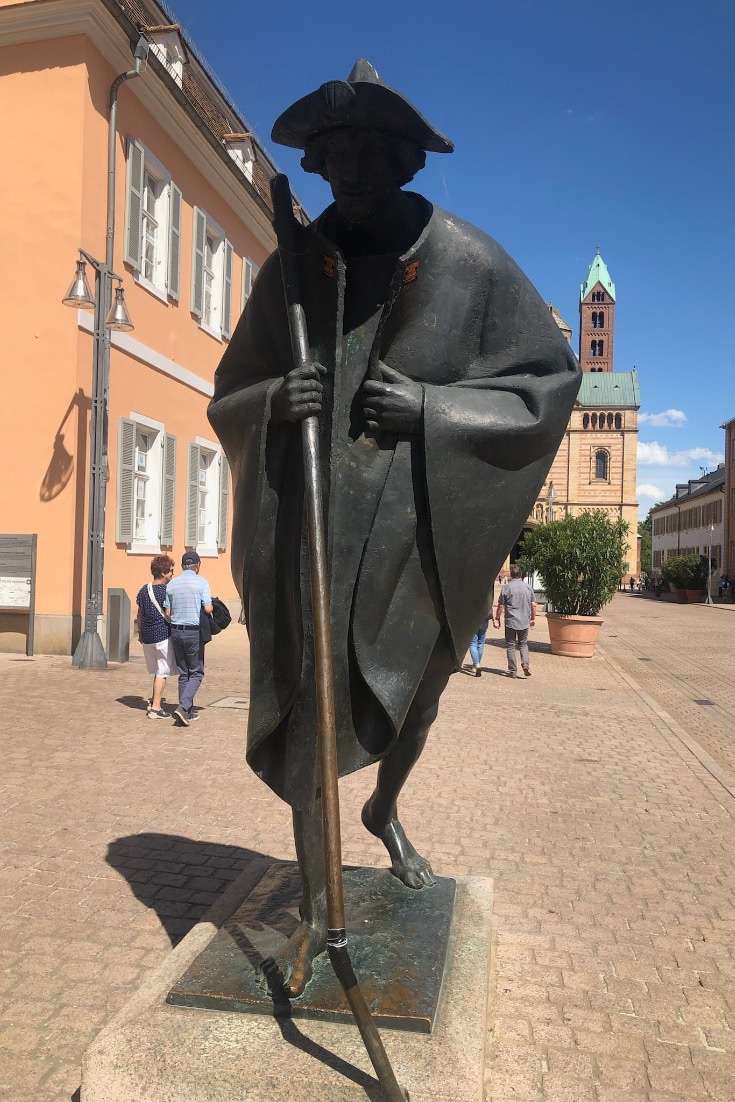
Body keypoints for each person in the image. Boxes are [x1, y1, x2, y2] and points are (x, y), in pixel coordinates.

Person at [208, 59, 580, 996]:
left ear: (408, 160)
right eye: (339, 152)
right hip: (311, 526)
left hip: (417, 529)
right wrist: (272, 398)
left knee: (413, 704)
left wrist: (433, 410)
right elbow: (229, 394)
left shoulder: (469, 262)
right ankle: (320, 915)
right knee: (305, 714)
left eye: (376, 150)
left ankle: (383, 809)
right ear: (322, 161)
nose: (356, 168)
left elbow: (544, 386)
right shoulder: (292, 265)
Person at [164, 551, 213, 727]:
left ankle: (187, 712)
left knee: (184, 673)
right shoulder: (202, 582)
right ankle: (184, 707)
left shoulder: (172, 584)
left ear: (183, 565)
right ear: (197, 565)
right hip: (193, 632)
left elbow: (168, 613)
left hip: (176, 631)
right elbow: (207, 609)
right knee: (197, 672)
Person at [136, 555, 175, 719]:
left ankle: (155, 703)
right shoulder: (168, 591)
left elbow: (139, 614)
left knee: (158, 671)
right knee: (162, 672)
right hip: (163, 635)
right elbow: (170, 614)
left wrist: (140, 633)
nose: (173, 574)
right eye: (171, 571)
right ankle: (156, 708)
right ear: (164, 572)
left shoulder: (144, 589)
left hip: (147, 636)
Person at [493, 564, 536, 678]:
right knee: (523, 644)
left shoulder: (506, 588)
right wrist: (533, 619)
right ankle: (525, 665)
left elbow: (500, 606)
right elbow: (534, 605)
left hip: (511, 621)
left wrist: (497, 618)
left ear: (511, 575)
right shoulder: (528, 587)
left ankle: (513, 670)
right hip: (524, 621)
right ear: (521, 574)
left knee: (511, 646)